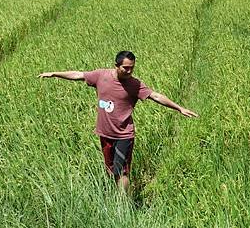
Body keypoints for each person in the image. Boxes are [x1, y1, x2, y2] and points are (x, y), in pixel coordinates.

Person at [38, 50, 198, 191]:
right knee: (111, 170)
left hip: (123, 135)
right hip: (105, 133)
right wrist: (54, 73)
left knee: (121, 172)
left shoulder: (135, 84)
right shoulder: (101, 76)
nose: (129, 71)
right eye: (125, 68)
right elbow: (78, 74)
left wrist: (179, 108)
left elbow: (155, 96)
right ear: (116, 65)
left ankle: (124, 206)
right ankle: (118, 197)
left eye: (132, 68)